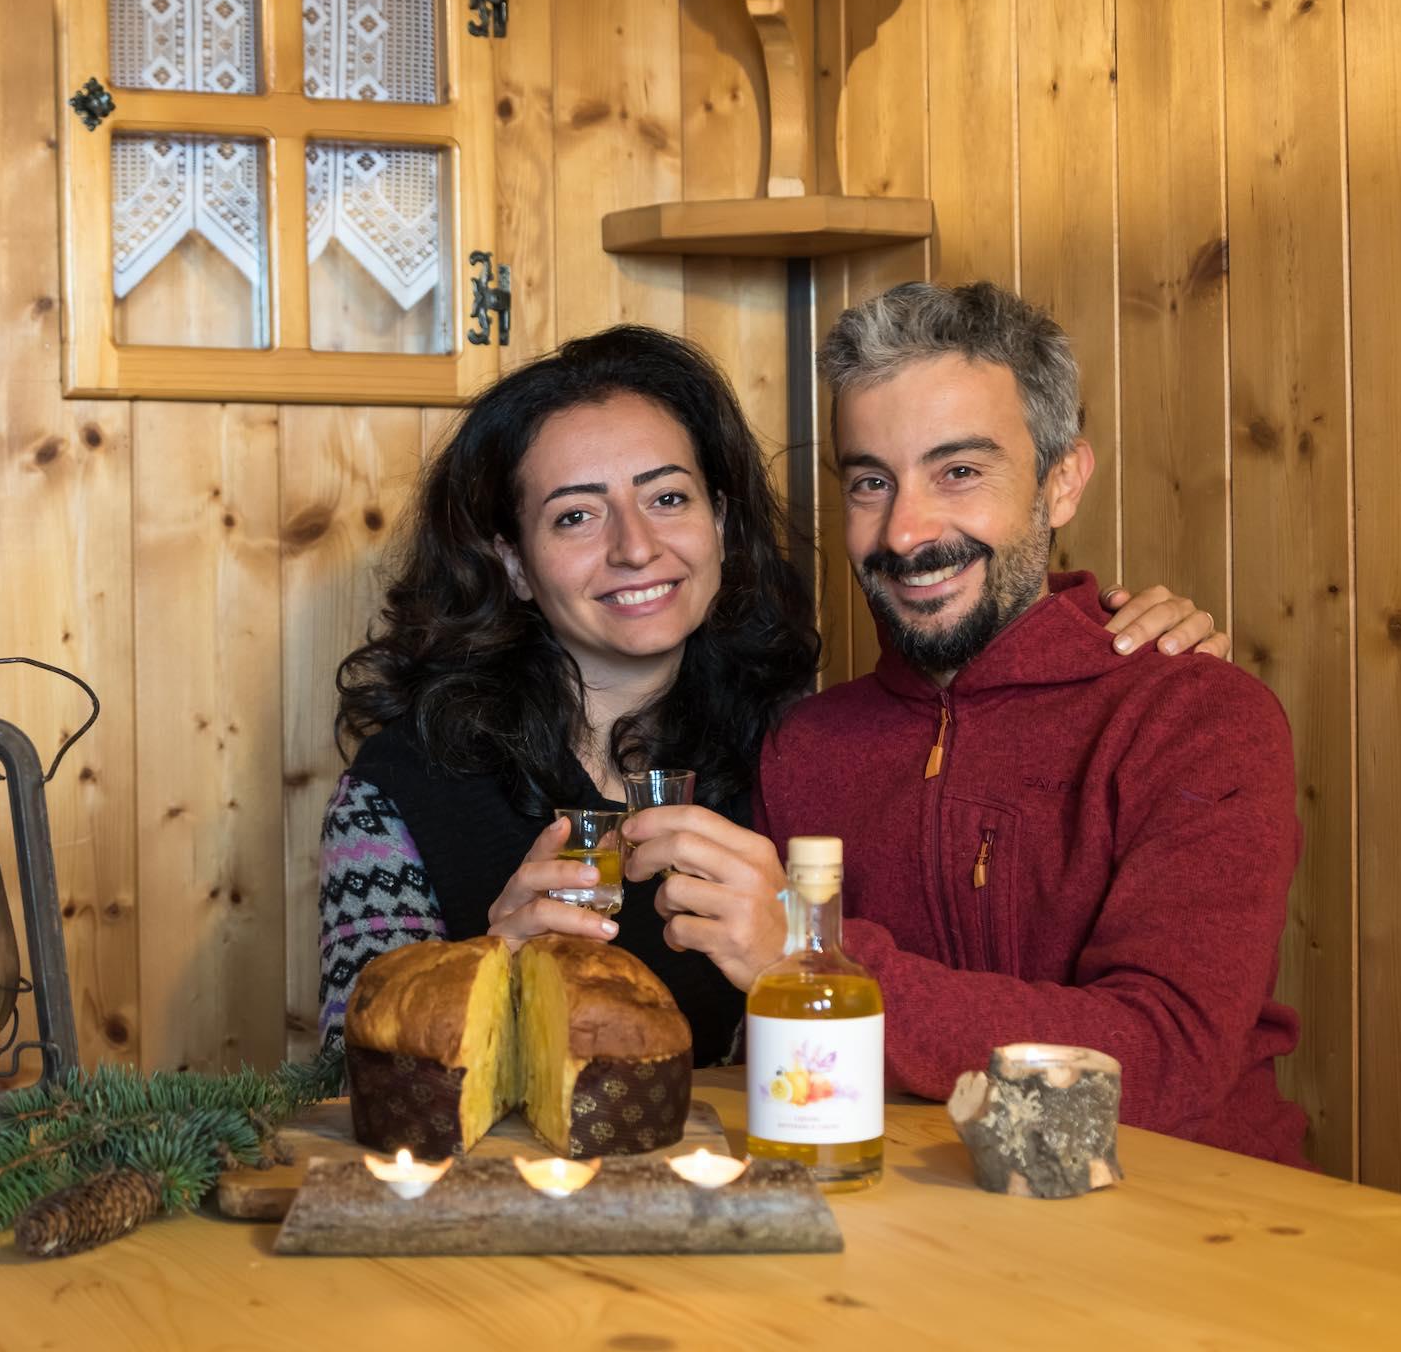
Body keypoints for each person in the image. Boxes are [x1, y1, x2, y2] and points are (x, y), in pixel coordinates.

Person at [316, 323, 1230, 1066]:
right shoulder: (400, 790)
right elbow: (337, 1083)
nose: (635, 548)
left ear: (720, 520)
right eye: (575, 516)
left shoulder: (786, 754)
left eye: (667, 498)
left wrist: (1106, 645)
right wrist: (483, 968)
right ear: (512, 561)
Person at [621, 282, 1307, 1165]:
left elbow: (1166, 1058)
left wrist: (813, 955)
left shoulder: (1196, 715)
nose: (907, 532)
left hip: (1192, 1232)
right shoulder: (809, 748)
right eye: (872, 481)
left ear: (1061, 484)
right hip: (911, 1235)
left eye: (960, 472)